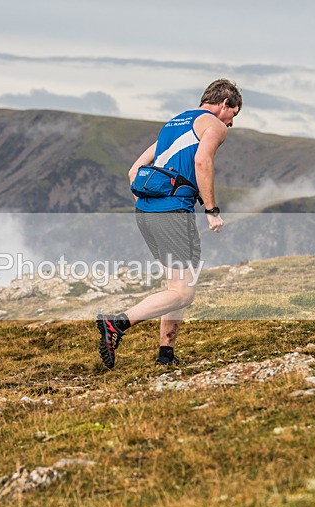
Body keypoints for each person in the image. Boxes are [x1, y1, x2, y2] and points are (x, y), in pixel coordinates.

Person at [97, 79, 241, 368]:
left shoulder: (173, 124)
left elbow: (133, 171)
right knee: (183, 292)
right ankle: (117, 323)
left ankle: (166, 355)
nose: (231, 123)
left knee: (177, 287)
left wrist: (152, 203)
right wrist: (211, 210)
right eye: (233, 115)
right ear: (224, 103)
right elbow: (202, 162)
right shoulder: (214, 125)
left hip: (147, 213)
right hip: (173, 213)